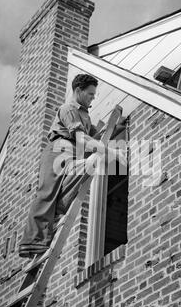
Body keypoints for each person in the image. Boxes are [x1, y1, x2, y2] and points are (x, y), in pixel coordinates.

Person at [18, 74, 126, 259]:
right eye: (91, 94)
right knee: (47, 194)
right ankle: (32, 243)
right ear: (78, 90)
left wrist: (116, 127)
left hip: (72, 153)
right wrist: (112, 152)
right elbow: (82, 139)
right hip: (58, 151)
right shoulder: (68, 109)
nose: (94, 97)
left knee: (74, 179)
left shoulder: (84, 114)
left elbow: (96, 137)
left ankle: (52, 220)